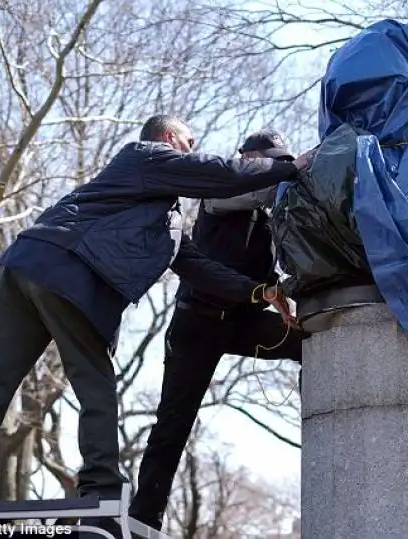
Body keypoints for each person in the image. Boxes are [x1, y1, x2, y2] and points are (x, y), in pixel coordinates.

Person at [0, 116, 308, 514]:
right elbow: (222, 173)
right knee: (96, 384)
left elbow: (197, 266)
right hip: (68, 271)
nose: (193, 150)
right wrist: (291, 168)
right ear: (171, 138)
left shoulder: (163, 219)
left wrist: (261, 291)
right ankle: (102, 492)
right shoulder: (144, 155)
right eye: (189, 142)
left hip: (25, 265)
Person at [128, 130, 306, 532]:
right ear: (245, 159)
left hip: (243, 323)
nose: (276, 167)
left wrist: (282, 294)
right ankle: (143, 523)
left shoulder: (269, 214)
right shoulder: (219, 193)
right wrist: (300, 171)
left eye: (282, 160)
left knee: (312, 343)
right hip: (198, 325)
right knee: (173, 426)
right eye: (268, 161)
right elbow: (263, 190)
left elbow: (263, 260)